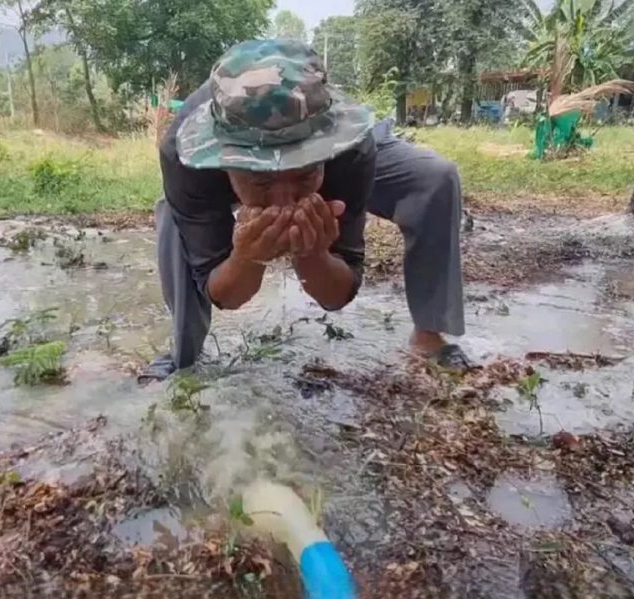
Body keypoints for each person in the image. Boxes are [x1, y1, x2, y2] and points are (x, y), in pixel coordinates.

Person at [140, 39, 472, 383]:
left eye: (302, 175)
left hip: (333, 149)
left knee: (435, 178)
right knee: (174, 218)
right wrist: (245, 259)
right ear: (223, 163)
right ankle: (183, 354)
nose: (285, 201)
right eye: (261, 180)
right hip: (212, 160)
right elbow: (225, 294)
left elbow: (336, 296)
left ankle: (429, 335)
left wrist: (313, 253)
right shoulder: (183, 154)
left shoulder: (350, 149)